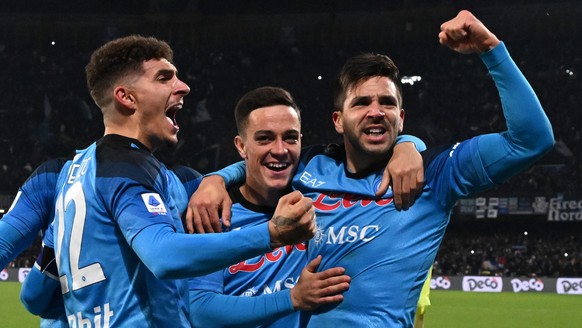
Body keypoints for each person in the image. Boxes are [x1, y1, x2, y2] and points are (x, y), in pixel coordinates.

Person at [189, 10, 554, 327]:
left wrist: (491, 50)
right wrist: (216, 179)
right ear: (338, 120)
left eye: (387, 103)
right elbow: (266, 160)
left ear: (401, 117)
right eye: (361, 102)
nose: (375, 111)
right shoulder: (311, 166)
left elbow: (531, 140)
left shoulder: (437, 174)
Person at [40, 35, 317, 327]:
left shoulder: (78, 171)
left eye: (290, 137)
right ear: (127, 97)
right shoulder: (127, 167)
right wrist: (271, 235)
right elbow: (164, 256)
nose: (183, 86)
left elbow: (34, 295)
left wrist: (216, 178)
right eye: (164, 78)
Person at [188, 86, 352, 327]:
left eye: (290, 137)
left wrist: (408, 145)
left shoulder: (317, 198)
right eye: (264, 138)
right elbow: (201, 310)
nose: (280, 150)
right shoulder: (214, 212)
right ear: (241, 146)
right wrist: (293, 298)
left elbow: (372, 152)